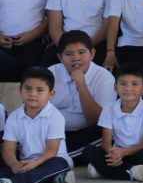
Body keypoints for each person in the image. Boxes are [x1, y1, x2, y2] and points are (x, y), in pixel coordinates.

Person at [0, 67, 75, 183]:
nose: (33, 94)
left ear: (51, 94)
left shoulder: (55, 117)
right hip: (26, 162)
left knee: (59, 163)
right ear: (20, 90)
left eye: (40, 90)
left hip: (50, 160)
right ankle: (53, 179)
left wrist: (35, 164)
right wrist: (14, 164)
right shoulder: (14, 117)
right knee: (4, 163)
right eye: (27, 89)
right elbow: (8, 149)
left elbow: (52, 150)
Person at [84, 63, 143, 181]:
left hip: (138, 152)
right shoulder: (109, 109)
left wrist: (124, 152)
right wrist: (114, 154)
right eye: (123, 84)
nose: (128, 88)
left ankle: (105, 170)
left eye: (134, 84)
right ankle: (130, 171)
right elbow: (106, 143)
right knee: (89, 150)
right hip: (117, 154)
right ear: (116, 88)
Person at [47, 30, 114, 163]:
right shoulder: (50, 74)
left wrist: (82, 85)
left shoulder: (104, 77)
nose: (76, 58)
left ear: (92, 54)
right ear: (60, 57)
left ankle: (55, 158)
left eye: (81, 52)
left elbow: (97, 120)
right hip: (53, 134)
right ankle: (55, 157)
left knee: (107, 133)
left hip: (85, 133)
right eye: (69, 54)